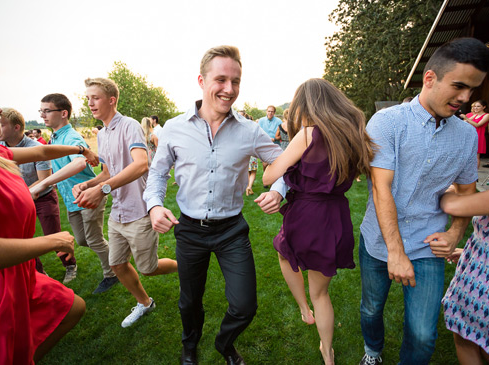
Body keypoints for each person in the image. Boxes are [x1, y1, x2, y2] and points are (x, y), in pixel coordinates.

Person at [144, 45, 288, 364]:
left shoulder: (250, 131)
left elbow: (283, 164)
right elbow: (156, 175)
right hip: (190, 230)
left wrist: (278, 190)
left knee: (244, 305)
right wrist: (154, 205)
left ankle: (224, 344)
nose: (229, 89)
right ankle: (189, 346)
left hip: (231, 231)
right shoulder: (174, 129)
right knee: (189, 302)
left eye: (235, 81)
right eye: (221, 79)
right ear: (201, 80)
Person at [355, 38, 489, 365]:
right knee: (371, 308)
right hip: (378, 241)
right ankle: (372, 352)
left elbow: (467, 193)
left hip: (428, 244)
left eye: (472, 90)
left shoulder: (467, 135)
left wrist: (455, 234)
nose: (465, 98)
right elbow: (380, 188)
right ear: (430, 78)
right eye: (458, 86)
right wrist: (395, 253)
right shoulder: (387, 122)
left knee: (423, 334)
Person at [0, 70, 88, 363]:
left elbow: (42, 151)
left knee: (72, 307)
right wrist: (51, 241)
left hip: (20, 275)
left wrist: (81, 149)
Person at [257, 78, 375, 364]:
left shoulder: (308, 134)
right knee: (321, 293)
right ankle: (327, 351)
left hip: (307, 215)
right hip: (337, 217)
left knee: (284, 253)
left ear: (304, 106)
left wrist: (275, 163)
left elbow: (268, 177)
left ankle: (302, 308)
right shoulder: (353, 134)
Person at [75, 77, 179, 328]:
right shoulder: (101, 133)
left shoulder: (130, 125)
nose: (89, 103)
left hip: (139, 211)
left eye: (95, 97)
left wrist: (103, 188)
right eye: (87, 98)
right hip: (118, 212)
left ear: (111, 100)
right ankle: (145, 303)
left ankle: (187, 266)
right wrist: (90, 184)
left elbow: (141, 164)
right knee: (117, 264)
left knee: (148, 268)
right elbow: (108, 172)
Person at [30, 93, 119, 294]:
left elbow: (80, 163)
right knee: (81, 240)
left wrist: (43, 183)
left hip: (88, 195)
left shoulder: (72, 137)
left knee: (95, 240)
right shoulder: (54, 137)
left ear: (63, 113)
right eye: (41, 111)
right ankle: (116, 253)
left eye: (47, 111)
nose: (43, 115)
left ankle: (111, 274)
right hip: (72, 200)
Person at [439, 135, 489, 364]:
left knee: (468, 345)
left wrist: (451, 188)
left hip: (486, 293)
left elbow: (452, 205)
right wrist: (468, 253)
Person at [0, 108, 77, 281]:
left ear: (16, 127)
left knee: (52, 234)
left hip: (43, 198)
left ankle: (70, 266)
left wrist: (22, 192)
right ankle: (39, 274)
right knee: (24, 240)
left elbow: (43, 180)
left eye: (2, 125)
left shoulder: (36, 147)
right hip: (17, 200)